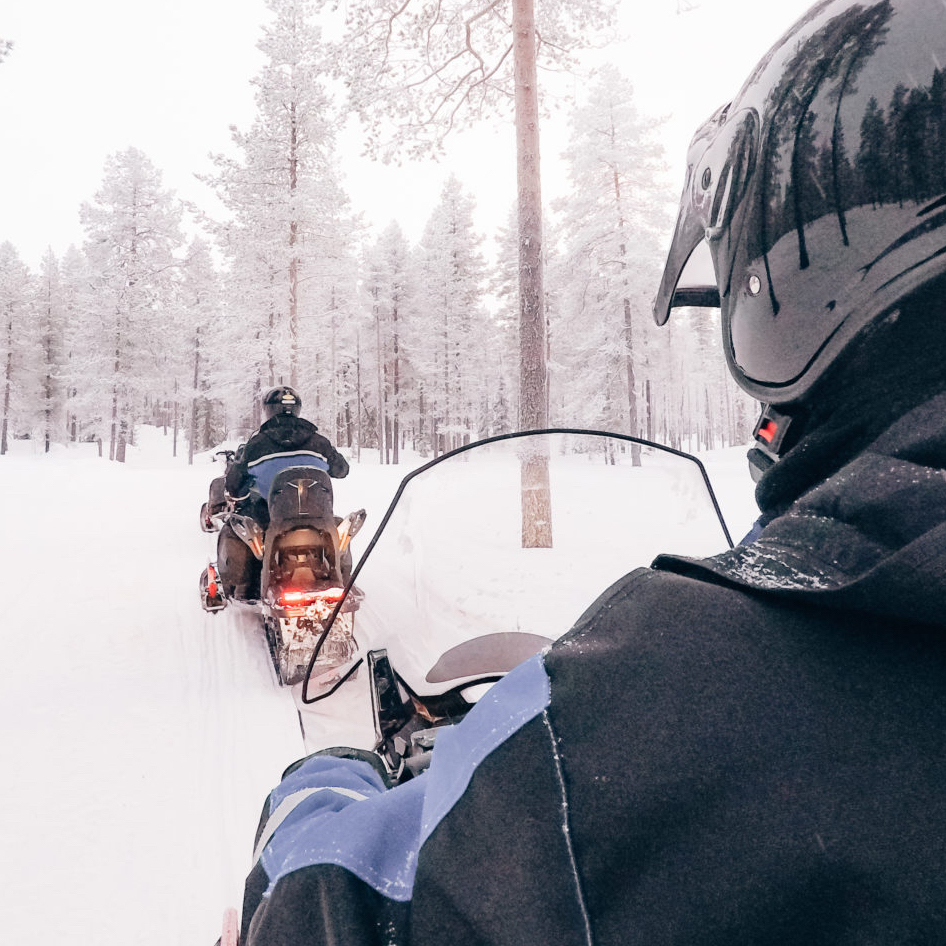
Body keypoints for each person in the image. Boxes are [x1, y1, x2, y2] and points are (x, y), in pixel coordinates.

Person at [237, 2, 946, 942]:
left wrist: (319, 776)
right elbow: (328, 461)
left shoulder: (692, 690)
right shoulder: (310, 439)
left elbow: (332, 910)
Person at [216, 385, 349, 600]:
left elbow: (234, 486)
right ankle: (343, 577)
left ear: (268, 410)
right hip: (317, 516)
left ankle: (244, 587)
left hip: (273, 517)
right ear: (297, 409)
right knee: (340, 526)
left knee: (236, 526)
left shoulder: (256, 445)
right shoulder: (319, 442)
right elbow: (342, 470)